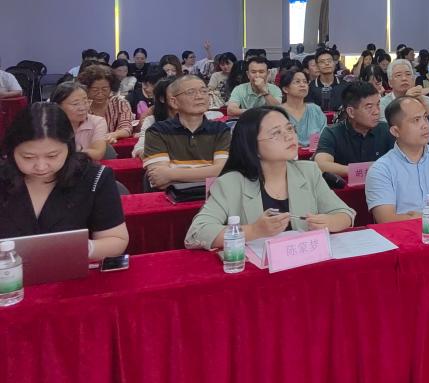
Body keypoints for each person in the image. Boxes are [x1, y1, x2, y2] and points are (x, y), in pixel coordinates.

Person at [184, 107, 355, 250]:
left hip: (303, 263)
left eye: (290, 129)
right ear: (252, 146)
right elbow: (196, 233)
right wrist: (254, 231)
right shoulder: (231, 183)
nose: (289, 136)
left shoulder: (308, 171)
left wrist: (329, 222)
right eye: (276, 133)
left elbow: (345, 214)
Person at [0, 103, 128, 260]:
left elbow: (115, 239)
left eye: (52, 156)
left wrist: (82, 248)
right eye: (28, 157)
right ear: (11, 151)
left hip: (71, 270)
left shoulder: (93, 178)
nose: (41, 166)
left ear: (69, 147)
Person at [142, 75, 231, 191]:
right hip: (171, 198)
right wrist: (210, 173)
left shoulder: (221, 130)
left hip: (214, 196)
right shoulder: (157, 131)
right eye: (191, 92)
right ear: (174, 102)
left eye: (204, 91)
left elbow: (224, 171)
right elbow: (159, 179)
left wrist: (170, 175)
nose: (199, 96)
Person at [315, 81, 395, 187]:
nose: (376, 111)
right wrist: (361, 171)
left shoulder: (386, 129)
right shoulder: (332, 133)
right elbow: (321, 164)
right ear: (351, 112)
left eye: (378, 105)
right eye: (369, 107)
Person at [52, 81, 108, 162]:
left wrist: (72, 148)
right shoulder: (48, 124)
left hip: (86, 167)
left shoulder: (97, 122)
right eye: (75, 104)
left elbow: (98, 154)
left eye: (85, 102)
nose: (83, 108)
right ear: (58, 106)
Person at [78, 64, 133, 143]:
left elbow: (127, 128)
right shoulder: (81, 106)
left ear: (111, 88)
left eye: (105, 89)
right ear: (87, 89)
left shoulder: (120, 103)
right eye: (95, 90)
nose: (100, 94)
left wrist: (114, 135)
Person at [276, 69, 327, 148]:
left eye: (305, 82)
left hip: (316, 153)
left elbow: (325, 136)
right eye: (297, 82)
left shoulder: (315, 109)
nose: (302, 85)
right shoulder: (277, 113)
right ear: (285, 89)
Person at [306, 48, 347, 112]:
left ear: (334, 63)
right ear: (317, 66)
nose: (327, 63)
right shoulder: (310, 88)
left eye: (329, 61)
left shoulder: (345, 86)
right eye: (322, 62)